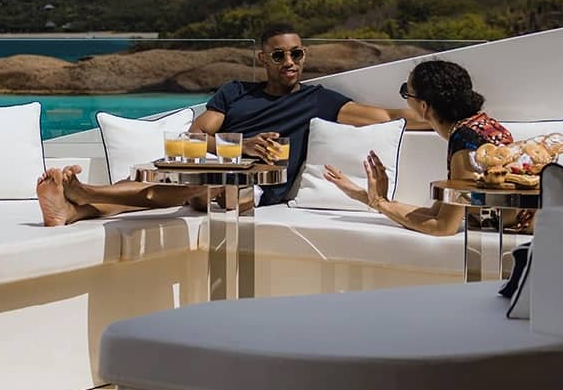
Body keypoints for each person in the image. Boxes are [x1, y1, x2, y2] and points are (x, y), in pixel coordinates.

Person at [37, 25, 426, 226]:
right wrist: (243, 145)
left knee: (187, 187)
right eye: (279, 54)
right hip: (212, 174)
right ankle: (72, 212)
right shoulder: (235, 92)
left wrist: (445, 115)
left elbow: (387, 117)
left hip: (253, 192)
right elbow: (196, 135)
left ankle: (84, 190)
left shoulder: (317, 100)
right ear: (263, 58)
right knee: (168, 181)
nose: (290, 61)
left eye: (297, 53)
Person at [323, 59, 523, 236]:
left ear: (424, 106)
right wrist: (364, 196)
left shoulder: (466, 145)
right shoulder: (484, 126)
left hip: (514, 236)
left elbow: (442, 226)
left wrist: (380, 203)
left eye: (406, 92)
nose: (406, 99)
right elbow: (435, 213)